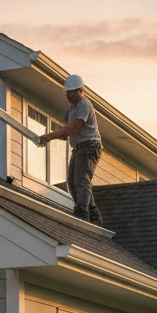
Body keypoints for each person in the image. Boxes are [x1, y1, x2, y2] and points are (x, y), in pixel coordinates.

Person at [40, 74, 103, 223]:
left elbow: (73, 128)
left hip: (90, 145)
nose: (69, 95)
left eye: (72, 92)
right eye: (67, 92)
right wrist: (49, 137)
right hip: (79, 147)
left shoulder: (83, 104)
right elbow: (67, 129)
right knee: (73, 181)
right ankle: (93, 215)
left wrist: (50, 136)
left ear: (80, 90)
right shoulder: (71, 109)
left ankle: (82, 213)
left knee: (81, 179)